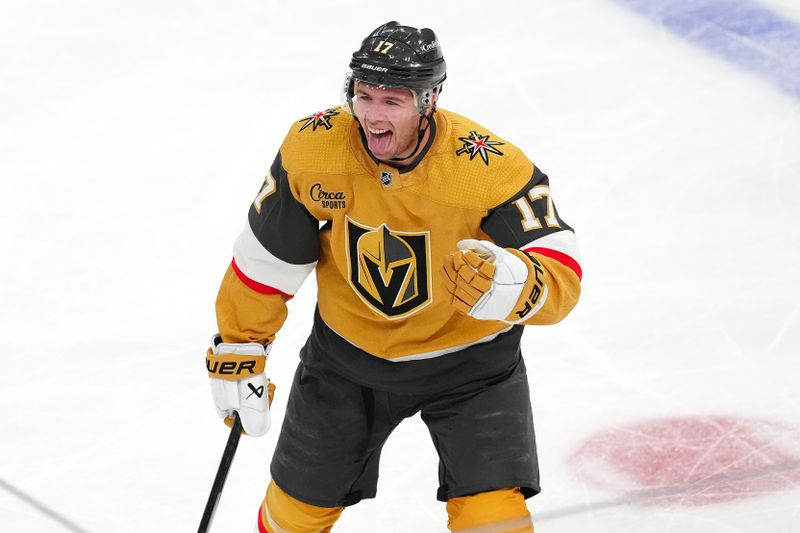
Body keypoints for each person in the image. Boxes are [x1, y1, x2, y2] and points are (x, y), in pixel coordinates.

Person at [206, 21, 582, 533]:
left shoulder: (485, 166)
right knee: (292, 516)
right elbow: (269, 258)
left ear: (428, 101)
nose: (372, 115)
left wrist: (515, 280)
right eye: (364, 96)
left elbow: (560, 266)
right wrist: (240, 345)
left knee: (494, 521)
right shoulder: (315, 147)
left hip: (470, 368)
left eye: (392, 101)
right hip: (345, 360)